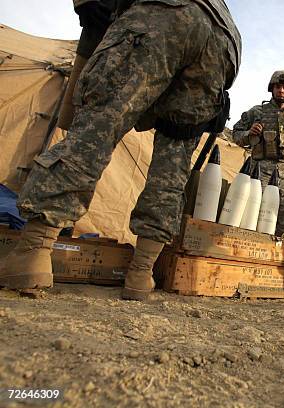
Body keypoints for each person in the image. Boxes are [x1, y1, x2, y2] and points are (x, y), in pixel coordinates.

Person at [0, 0, 242, 302]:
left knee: (97, 129)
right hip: (223, 45)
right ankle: (141, 274)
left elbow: (93, 17)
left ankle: (32, 252)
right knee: (172, 166)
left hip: (164, 12)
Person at [232, 71, 284, 239]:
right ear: (272, 89)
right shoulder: (256, 112)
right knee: (251, 215)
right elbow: (236, 135)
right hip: (260, 171)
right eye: (277, 87)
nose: (281, 90)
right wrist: (248, 133)